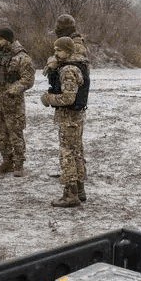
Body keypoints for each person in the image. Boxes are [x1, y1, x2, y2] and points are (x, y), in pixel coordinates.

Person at [40, 37, 90, 207]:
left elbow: (68, 98)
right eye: (55, 50)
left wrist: (48, 98)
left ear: (68, 51)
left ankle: (70, 194)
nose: (56, 53)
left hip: (69, 118)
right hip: (75, 117)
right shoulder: (74, 65)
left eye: (59, 50)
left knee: (67, 154)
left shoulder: (68, 70)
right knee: (76, 152)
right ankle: (80, 189)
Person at [0, 27, 35, 176]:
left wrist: (13, 89)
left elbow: (28, 79)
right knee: (0, 135)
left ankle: (18, 164)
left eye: (0, 39)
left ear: (8, 40)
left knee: (15, 134)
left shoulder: (21, 57)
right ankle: (7, 161)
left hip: (13, 104)